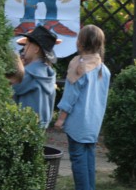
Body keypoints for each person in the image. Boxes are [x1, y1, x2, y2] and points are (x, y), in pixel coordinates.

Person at [55, 24, 111, 190]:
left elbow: (70, 96)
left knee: (78, 161)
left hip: (78, 124)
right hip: (93, 125)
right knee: (88, 161)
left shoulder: (78, 66)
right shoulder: (104, 69)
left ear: (79, 43)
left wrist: (60, 119)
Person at [9, 25, 58, 129]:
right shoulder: (48, 72)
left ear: (36, 49)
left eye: (26, 45)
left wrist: (19, 70)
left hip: (25, 126)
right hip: (42, 125)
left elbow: (9, 90)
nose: (24, 48)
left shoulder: (28, 73)